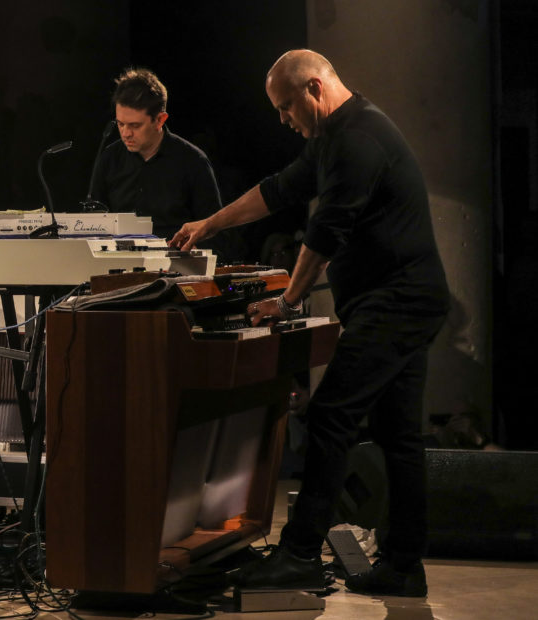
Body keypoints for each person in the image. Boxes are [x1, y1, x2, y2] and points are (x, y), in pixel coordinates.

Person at [170, 50, 449, 597]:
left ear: (315, 89)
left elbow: (326, 232)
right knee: (398, 436)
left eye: (285, 107)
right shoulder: (332, 137)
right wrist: (209, 223)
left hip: (396, 302)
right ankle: (403, 565)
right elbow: (276, 191)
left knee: (329, 418)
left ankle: (298, 555)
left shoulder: (357, 140)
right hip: (402, 300)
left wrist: (288, 300)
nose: (282, 119)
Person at [91, 68, 226, 254]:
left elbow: (214, 230)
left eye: (135, 125)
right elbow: (94, 221)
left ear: (160, 120)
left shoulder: (193, 161)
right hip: (118, 266)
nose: (125, 133)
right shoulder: (109, 158)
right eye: (120, 124)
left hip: (175, 268)